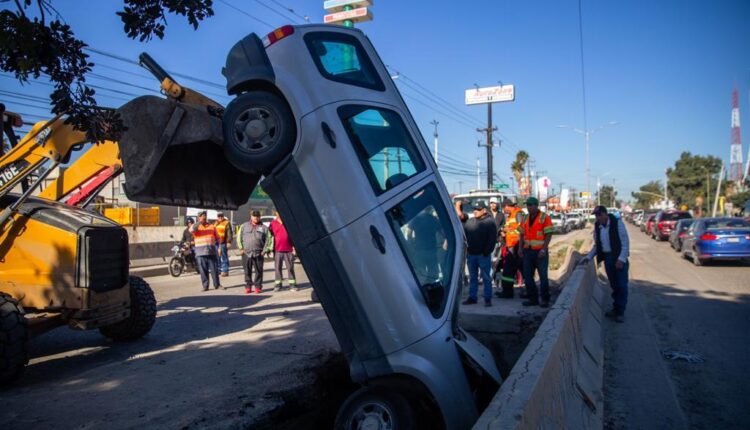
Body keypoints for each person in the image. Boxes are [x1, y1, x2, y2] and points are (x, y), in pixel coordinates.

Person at [580, 206, 630, 322]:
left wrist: (621, 259)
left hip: (618, 257)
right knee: (614, 285)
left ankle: (620, 311)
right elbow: (597, 246)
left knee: (622, 285)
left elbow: (625, 243)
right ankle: (616, 307)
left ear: (605, 214)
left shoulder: (617, 223)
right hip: (608, 258)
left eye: (599, 215)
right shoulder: (598, 227)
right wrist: (588, 257)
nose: (597, 218)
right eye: (596, 216)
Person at [455, 200, 497, 307]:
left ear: (483, 210)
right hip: (471, 255)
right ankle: (472, 297)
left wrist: (486, 252)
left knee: (486, 277)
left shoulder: (489, 222)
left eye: (478, 209)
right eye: (474, 209)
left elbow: (492, 239)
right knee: (473, 278)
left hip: (483, 255)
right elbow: (464, 232)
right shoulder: (470, 221)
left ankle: (487, 299)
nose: (475, 211)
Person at [518, 197, 554, 307]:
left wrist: (544, 249)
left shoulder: (544, 217)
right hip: (528, 251)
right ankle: (533, 299)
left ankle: (545, 300)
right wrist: (520, 248)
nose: (528, 207)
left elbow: (548, 234)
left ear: (536, 205)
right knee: (528, 277)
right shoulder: (525, 218)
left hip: (540, 252)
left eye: (530, 205)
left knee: (543, 276)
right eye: (527, 205)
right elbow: (521, 234)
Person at [495, 199, 523, 299]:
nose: (503, 210)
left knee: (510, 270)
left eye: (503, 208)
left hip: (516, 246)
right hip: (511, 246)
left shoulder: (518, 213)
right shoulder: (511, 215)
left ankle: (509, 292)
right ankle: (507, 292)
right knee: (508, 270)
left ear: (507, 206)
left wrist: (508, 230)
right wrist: (504, 232)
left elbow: (521, 230)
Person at [237, 210, 269, 294]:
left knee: (259, 271)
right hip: (246, 253)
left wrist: (265, 250)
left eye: (257, 216)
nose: (256, 218)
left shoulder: (264, 227)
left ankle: (258, 287)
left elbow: (268, 240)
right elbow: (238, 237)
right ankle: (248, 286)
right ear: (251, 216)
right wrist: (241, 248)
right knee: (247, 270)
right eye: (254, 216)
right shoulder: (244, 226)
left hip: (259, 253)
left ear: (260, 217)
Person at [191, 210, 222, 291]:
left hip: (211, 252)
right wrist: (199, 222)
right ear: (198, 217)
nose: (203, 217)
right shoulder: (196, 227)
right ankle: (205, 286)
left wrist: (219, 248)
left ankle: (217, 285)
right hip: (200, 253)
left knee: (214, 270)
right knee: (203, 271)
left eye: (204, 216)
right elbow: (191, 230)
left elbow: (218, 238)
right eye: (201, 216)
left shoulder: (212, 226)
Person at [268, 212, 297, 292]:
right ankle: (278, 285)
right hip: (278, 250)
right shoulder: (272, 223)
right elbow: (269, 236)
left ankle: (292, 285)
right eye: (278, 212)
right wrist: (269, 248)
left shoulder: (289, 222)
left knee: (290, 268)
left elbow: (294, 235)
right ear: (276, 213)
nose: (280, 213)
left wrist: (294, 248)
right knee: (277, 268)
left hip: (289, 249)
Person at [214, 212, 233, 277]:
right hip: (216, 243)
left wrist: (229, 242)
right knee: (217, 257)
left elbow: (229, 233)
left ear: (223, 216)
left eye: (221, 216)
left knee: (224, 257)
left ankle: (225, 271)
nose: (220, 218)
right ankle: (218, 270)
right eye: (219, 216)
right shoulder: (215, 223)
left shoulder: (226, 223)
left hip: (223, 242)